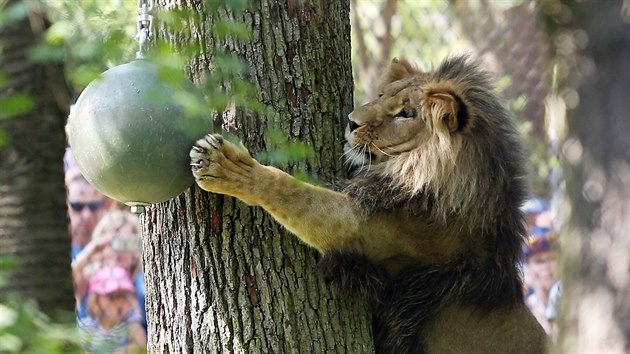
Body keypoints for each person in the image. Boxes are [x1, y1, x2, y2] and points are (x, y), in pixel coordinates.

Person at [79, 266, 146, 353]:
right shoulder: (88, 326)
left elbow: (143, 346)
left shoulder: (131, 320)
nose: (119, 302)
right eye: (112, 296)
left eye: (124, 296)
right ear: (96, 300)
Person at [65, 163, 113, 260]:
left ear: (105, 205)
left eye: (94, 206)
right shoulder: (52, 243)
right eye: (77, 206)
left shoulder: (114, 246)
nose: (86, 215)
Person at [523, 227, 559, 334]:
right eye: (539, 262)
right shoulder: (525, 310)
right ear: (528, 267)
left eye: (552, 259)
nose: (547, 267)